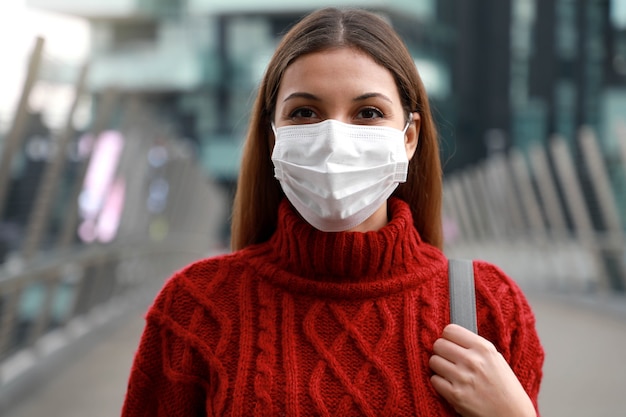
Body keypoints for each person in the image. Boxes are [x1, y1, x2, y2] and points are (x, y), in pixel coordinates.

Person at [122, 7, 544, 417]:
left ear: (409, 136)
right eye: (305, 112)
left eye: (368, 113)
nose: (334, 139)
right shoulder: (196, 306)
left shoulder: (490, 304)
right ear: (273, 138)